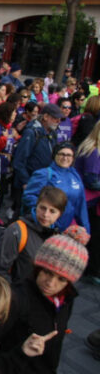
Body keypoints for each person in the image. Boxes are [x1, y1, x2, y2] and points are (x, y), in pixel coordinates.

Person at [0, 231, 89, 374]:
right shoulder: (16, 297)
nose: (51, 283)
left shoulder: (67, 299)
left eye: (62, 279)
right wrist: (21, 352)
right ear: (38, 268)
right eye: (47, 272)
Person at [0, 186, 66, 283]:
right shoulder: (16, 231)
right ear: (36, 206)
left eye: (52, 211)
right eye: (43, 208)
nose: (46, 215)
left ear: (60, 214)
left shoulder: (57, 236)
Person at [23, 142, 89, 232]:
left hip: (64, 230)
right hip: (43, 227)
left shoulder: (75, 176)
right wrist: (45, 216)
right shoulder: (44, 174)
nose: (65, 158)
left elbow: (81, 205)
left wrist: (86, 230)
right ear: (55, 155)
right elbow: (28, 196)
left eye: (69, 155)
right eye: (62, 154)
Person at [12, 104, 61, 212]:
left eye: (59, 119)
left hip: (44, 183)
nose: (58, 121)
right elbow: (19, 160)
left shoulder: (52, 133)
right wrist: (26, 182)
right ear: (46, 117)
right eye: (55, 118)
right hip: (30, 182)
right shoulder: (32, 132)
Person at [75, 121, 100, 284]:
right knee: (92, 235)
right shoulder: (93, 151)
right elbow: (91, 180)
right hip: (89, 199)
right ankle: (90, 268)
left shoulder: (91, 147)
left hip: (88, 199)